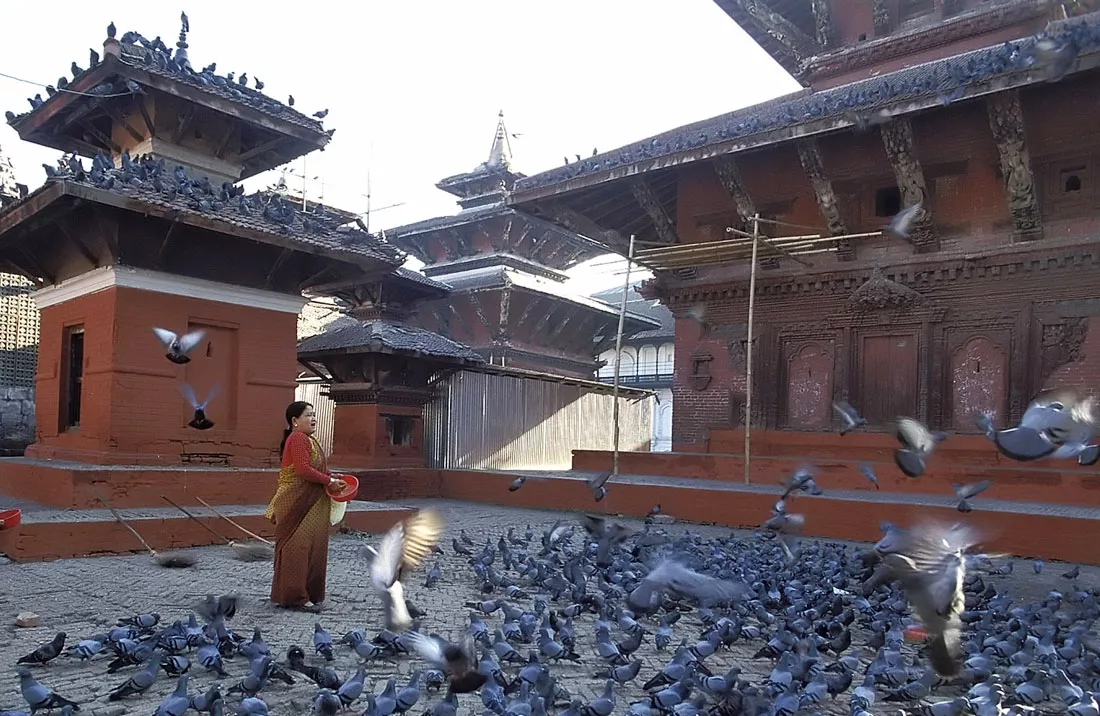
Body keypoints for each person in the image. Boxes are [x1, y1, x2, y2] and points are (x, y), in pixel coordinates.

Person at [265, 400, 346, 612]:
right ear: (294, 421)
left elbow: (315, 469)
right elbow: (302, 470)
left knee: (314, 548)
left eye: (314, 414)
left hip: (312, 502)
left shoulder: (312, 440)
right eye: (308, 415)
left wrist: (333, 478)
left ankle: (310, 593)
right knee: (297, 549)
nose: (313, 418)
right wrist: (329, 482)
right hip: (296, 503)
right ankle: (295, 597)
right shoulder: (298, 438)